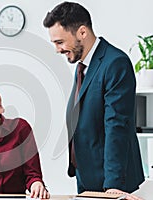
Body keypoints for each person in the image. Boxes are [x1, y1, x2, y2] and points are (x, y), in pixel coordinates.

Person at [43, 1, 144, 199]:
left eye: (60, 42)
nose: (57, 49)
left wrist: (113, 185)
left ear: (82, 32)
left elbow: (117, 125)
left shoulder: (115, 63)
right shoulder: (83, 65)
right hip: (87, 176)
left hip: (109, 180)